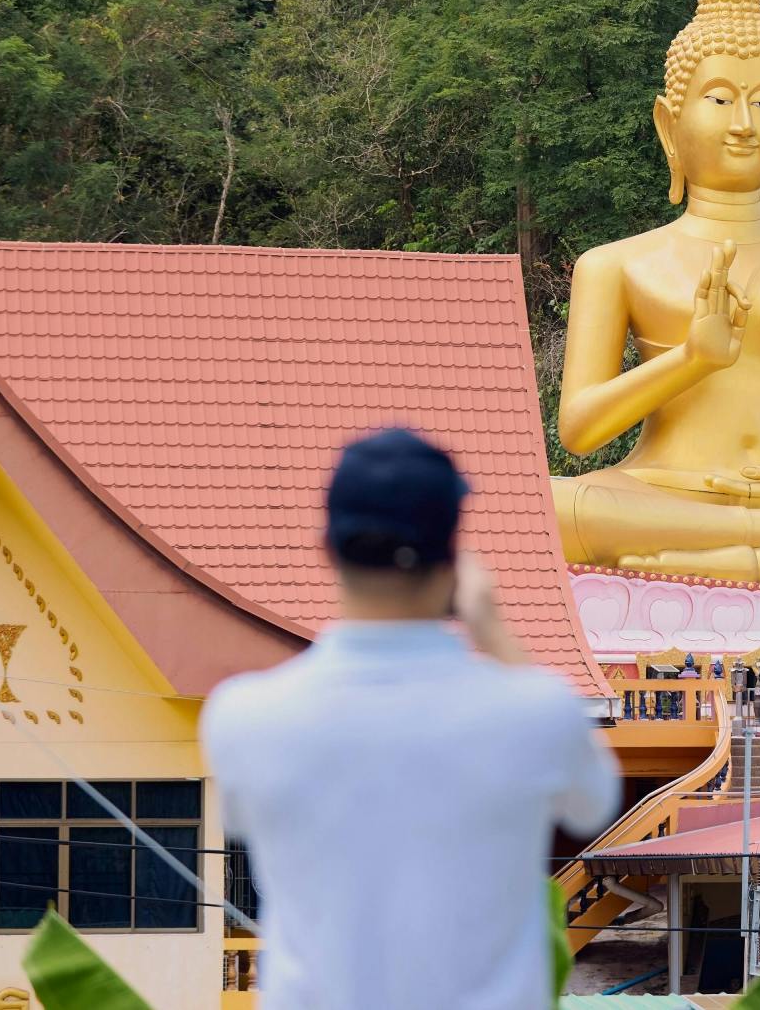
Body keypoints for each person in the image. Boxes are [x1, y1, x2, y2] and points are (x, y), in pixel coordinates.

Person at [202, 428, 620, 1009]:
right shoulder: (532, 712)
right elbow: (595, 798)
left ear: (328, 546)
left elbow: (243, 819)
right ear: (453, 556)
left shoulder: (244, 716)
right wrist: (491, 627)